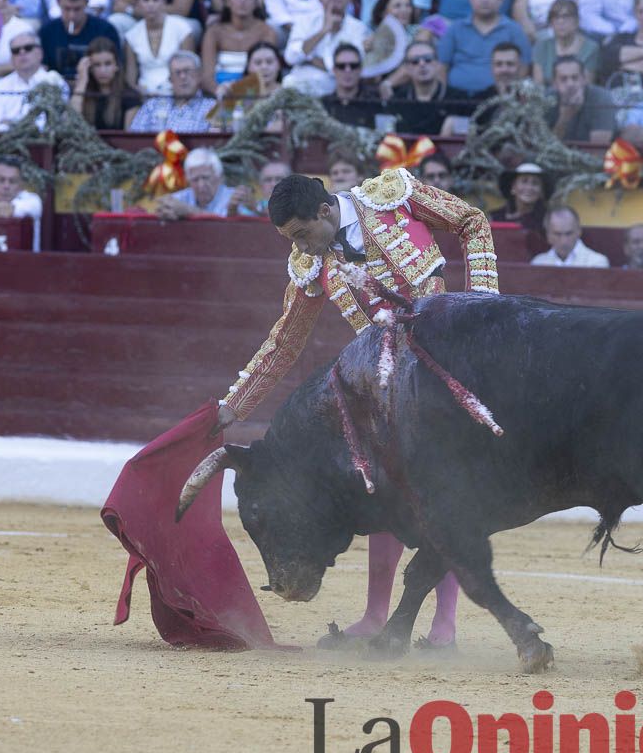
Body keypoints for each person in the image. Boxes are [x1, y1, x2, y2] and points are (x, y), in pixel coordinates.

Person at [214, 169, 500, 651]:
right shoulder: (310, 263)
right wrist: (232, 406)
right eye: (291, 240)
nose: (301, 249)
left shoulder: (391, 199)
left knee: (442, 495)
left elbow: (473, 221)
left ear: (325, 210)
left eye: (303, 235)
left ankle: (444, 625)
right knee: (381, 495)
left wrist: (484, 309)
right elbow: (285, 342)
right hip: (386, 387)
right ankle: (375, 614)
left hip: (446, 368)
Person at [438, 0, 531, 96]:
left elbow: (523, 67)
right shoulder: (455, 29)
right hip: (457, 99)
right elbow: (441, 66)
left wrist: (512, 95)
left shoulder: (514, 30)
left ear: (500, 0)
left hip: (498, 99)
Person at [282, 0, 371, 96]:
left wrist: (309, 58)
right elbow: (291, 58)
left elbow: (348, 68)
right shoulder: (304, 22)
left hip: (335, 94)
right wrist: (323, 31)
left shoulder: (359, 29)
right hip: (300, 90)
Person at [0, 32, 71, 133]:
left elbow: (56, 124)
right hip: (7, 145)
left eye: (28, 48)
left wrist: (11, 124)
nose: (22, 53)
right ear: (11, 58)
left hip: (46, 145)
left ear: (40, 53)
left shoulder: (55, 82)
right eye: (16, 51)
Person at [199, 0, 277, 94]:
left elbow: (268, 72)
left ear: (255, 2)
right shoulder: (214, 33)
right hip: (220, 95)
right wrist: (219, 91)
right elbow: (207, 76)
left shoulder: (267, 31)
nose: (243, 1)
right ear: (227, 1)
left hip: (255, 96)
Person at [124, 0, 196, 96]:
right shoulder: (131, 35)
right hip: (144, 95)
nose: (151, 4)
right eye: (146, 0)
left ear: (164, 2)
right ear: (138, 4)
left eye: (155, 0)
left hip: (177, 93)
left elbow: (190, 70)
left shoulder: (182, 29)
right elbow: (131, 77)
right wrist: (140, 92)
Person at [386, 42, 466, 134]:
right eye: (415, 61)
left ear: (437, 64)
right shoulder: (397, 101)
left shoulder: (459, 99)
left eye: (428, 59)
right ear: (407, 68)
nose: (422, 64)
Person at [40, 0, 121, 83]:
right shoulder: (47, 32)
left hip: (95, 89)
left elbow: (117, 66)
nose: (72, 15)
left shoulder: (105, 30)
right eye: (67, 9)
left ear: (86, 2)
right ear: (58, 2)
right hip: (56, 88)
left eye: (77, 9)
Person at [127, 51, 215, 131]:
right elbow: (134, 137)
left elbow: (218, 143)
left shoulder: (212, 107)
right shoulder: (152, 105)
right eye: (177, 73)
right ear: (170, 79)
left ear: (199, 75)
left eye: (188, 71)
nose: (183, 77)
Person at [155, 147, 251, 219]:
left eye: (206, 178)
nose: (201, 185)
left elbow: (229, 229)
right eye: (195, 180)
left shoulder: (234, 198)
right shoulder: (179, 199)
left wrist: (190, 211)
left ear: (219, 177)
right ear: (188, 181)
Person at [70, 36, 141, 129]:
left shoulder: (130, 96)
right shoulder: (82, 92)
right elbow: (71, 123)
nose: (103, 70)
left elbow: (128, 137)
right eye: (97, 65)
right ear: (90, 68)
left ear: (116, 65)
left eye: (108, 64)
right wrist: (82, 81)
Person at [548, 55, 617, 143]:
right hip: (557, 154)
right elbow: (544, 146)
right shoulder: (546, 100)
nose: (570, 84)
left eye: (575, 78)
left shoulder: (601, 98)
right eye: (563, 79)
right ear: (554, 83)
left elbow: (598, 148)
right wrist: (564, 118)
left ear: (584, 79)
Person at [531, 0, 598, 85]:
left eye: (566, 17)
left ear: (576, 21)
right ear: (551, 23)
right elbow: (538, 85)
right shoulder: (541, 46)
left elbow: (587, 85)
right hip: (548, 97)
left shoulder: (591, 48)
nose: (560, 21)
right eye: (556, 17)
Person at [319, 43, 383, 127]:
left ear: (360, 69)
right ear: (334, 70)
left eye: (353, 66)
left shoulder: (375, 104)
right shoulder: (323, 105)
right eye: (341, 66)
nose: (348, 70)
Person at [530, 205, 611, 267]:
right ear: (548, 235)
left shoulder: (597, 263)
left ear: (579, 232)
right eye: (557, 234)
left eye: (569, 234)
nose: (564, 241)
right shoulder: (538, 263)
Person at [489, 161, 548, 233]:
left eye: (535, 183)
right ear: (513, 188)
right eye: (524, 181)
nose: (529, 188)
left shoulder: (547, 220)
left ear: (541, 191)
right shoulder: (495, 217)